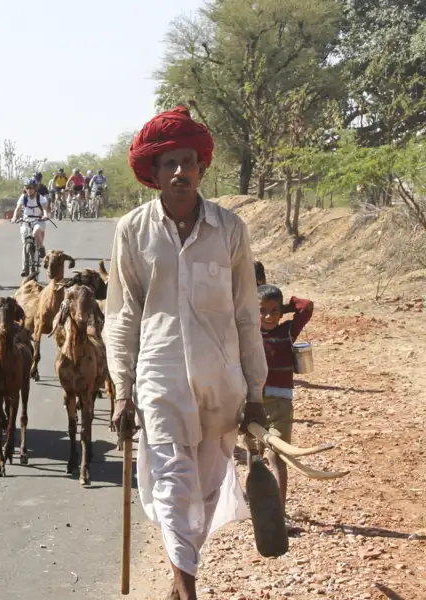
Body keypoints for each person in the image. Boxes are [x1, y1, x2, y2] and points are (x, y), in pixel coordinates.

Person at [103, 106, 268, 600]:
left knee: (208, 490)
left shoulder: (231, 230)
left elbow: (246, 314)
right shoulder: (132, 231)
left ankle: (180, 580)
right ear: (152, 173)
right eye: (169, 163)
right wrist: (121, 390)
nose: (180, 171)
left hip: (221, 383)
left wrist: (256, 392)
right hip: (160, 379)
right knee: (174, 487)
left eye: (188, 162)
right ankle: (189, 593)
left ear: (202, 168)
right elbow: (122, 315)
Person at [244, 284, 314, 526]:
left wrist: (285, 306)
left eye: (274, 311)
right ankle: (255, 508)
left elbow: (306, 307)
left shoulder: (287, 332)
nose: (269, 316)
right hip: (252, 404)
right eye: (262, 311)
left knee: (278, 456)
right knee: (254, 456)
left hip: (281, 404)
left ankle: (279, 513)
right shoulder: (247, 334)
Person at [10, 177, 49, 276]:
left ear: (35, 188)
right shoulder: (23, 197)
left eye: (31, 188)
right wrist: (14, 217)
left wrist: (45, 215)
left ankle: (41, 249)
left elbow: (44, 208)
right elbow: (18, 208)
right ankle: (25, 268)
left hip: (38, 220)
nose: (29, 190)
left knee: (36, 232)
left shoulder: (40, 197)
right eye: (27, 187)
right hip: (26, 221)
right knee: (25, 244)